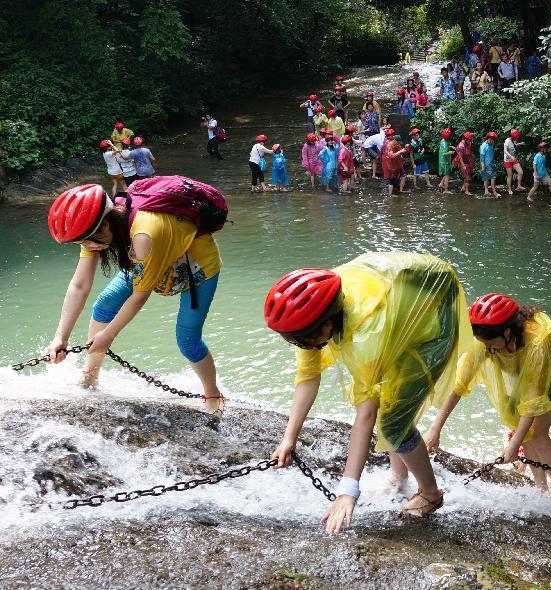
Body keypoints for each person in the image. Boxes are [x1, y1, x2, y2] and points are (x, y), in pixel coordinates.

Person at [266, 253, 473, 531]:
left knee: (393, 419)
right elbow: (307, 376)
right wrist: (289, 439)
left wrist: (348, 489)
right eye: (291, 339)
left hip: (433, 311)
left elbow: (366, 412)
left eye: (301, 339)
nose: (298, 345)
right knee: (391, 401)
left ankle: (431, 493)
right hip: (395, 298)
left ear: (328, 323)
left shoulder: (367, 336)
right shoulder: (316, 315)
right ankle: (399, 478)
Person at [44, 183, 225, 415]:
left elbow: (141, 294)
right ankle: (90, 376)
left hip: (195, 265)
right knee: (106, 303)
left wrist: (108, 335)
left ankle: (212, 394)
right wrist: (61, 337)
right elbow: (79, 286)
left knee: (187, 339)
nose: (85, 247)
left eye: (86, 241)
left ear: (106, 224)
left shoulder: (144, 234)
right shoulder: (99, 230)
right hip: (146, 260)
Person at [425, 293, 551, 496]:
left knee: (537, 432)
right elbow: (459, 385)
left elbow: (531, 405)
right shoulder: (486, 341)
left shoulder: (536, 344)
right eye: (484, 344)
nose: (487, 348)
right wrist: (435, 429)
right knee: (518, 423)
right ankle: (541, 487)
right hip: (524, 365)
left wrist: (513, 445)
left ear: (508, 331)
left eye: (491, 344)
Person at [381, 128, 408, 196]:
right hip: (390, 164)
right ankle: (390, 194)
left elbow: (401, 151)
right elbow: (391, 156)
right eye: (398, 142)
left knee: (404, 175)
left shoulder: (398, 145)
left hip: (398, 163)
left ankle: (401, 190)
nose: (399, 144)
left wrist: (406, 148)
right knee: (391, 180)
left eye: (399, 143)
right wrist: (400, 152)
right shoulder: (388, 145)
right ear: (394, 140)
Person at [503, 129, 526, 195]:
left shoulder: (513, 140)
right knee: (510, 175)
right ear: (513, 136)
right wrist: (511, 156)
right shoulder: (507, 140)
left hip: (513, 159)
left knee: (520, 172)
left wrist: (520, 144)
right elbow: (505, 150)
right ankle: (509, 190)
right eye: (516, 137)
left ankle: (519, 186)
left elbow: (514, 146)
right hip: (508, 160)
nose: (517, 138)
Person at [479, 132, 501, 198]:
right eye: (491, 139)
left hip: (490, 164)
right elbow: (482, 156)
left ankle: (486, 191)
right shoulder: (483, 146)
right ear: (488, 138)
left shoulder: (491, 144)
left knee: (487, 178)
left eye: (493, 139)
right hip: (486, 164)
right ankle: (494, 192)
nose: (492, 140)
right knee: (492, 177)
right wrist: (483, 166)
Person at [454, 131, 475, 196]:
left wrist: (471, 161)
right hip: (461, 162)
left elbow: (469, 152)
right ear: (465, 139)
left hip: (468, 161)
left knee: (468, 174)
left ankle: (463, 188)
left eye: (470, 140)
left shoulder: (469, 143)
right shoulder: (461, 145)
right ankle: (466, 191)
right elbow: (460, 157)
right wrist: (463, 165)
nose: (470, 141)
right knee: (467, 177)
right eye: (469, 140)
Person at [437, 128, 455, 194]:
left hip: (444, 160)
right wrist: (450, 152)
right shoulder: (444, 143)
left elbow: (445, 148)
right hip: (444, 161)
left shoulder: (443, 140)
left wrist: (451, 146)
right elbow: (444, 153)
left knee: (446, 173)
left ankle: (441, 184)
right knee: (447, 175)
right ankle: (446, 190)